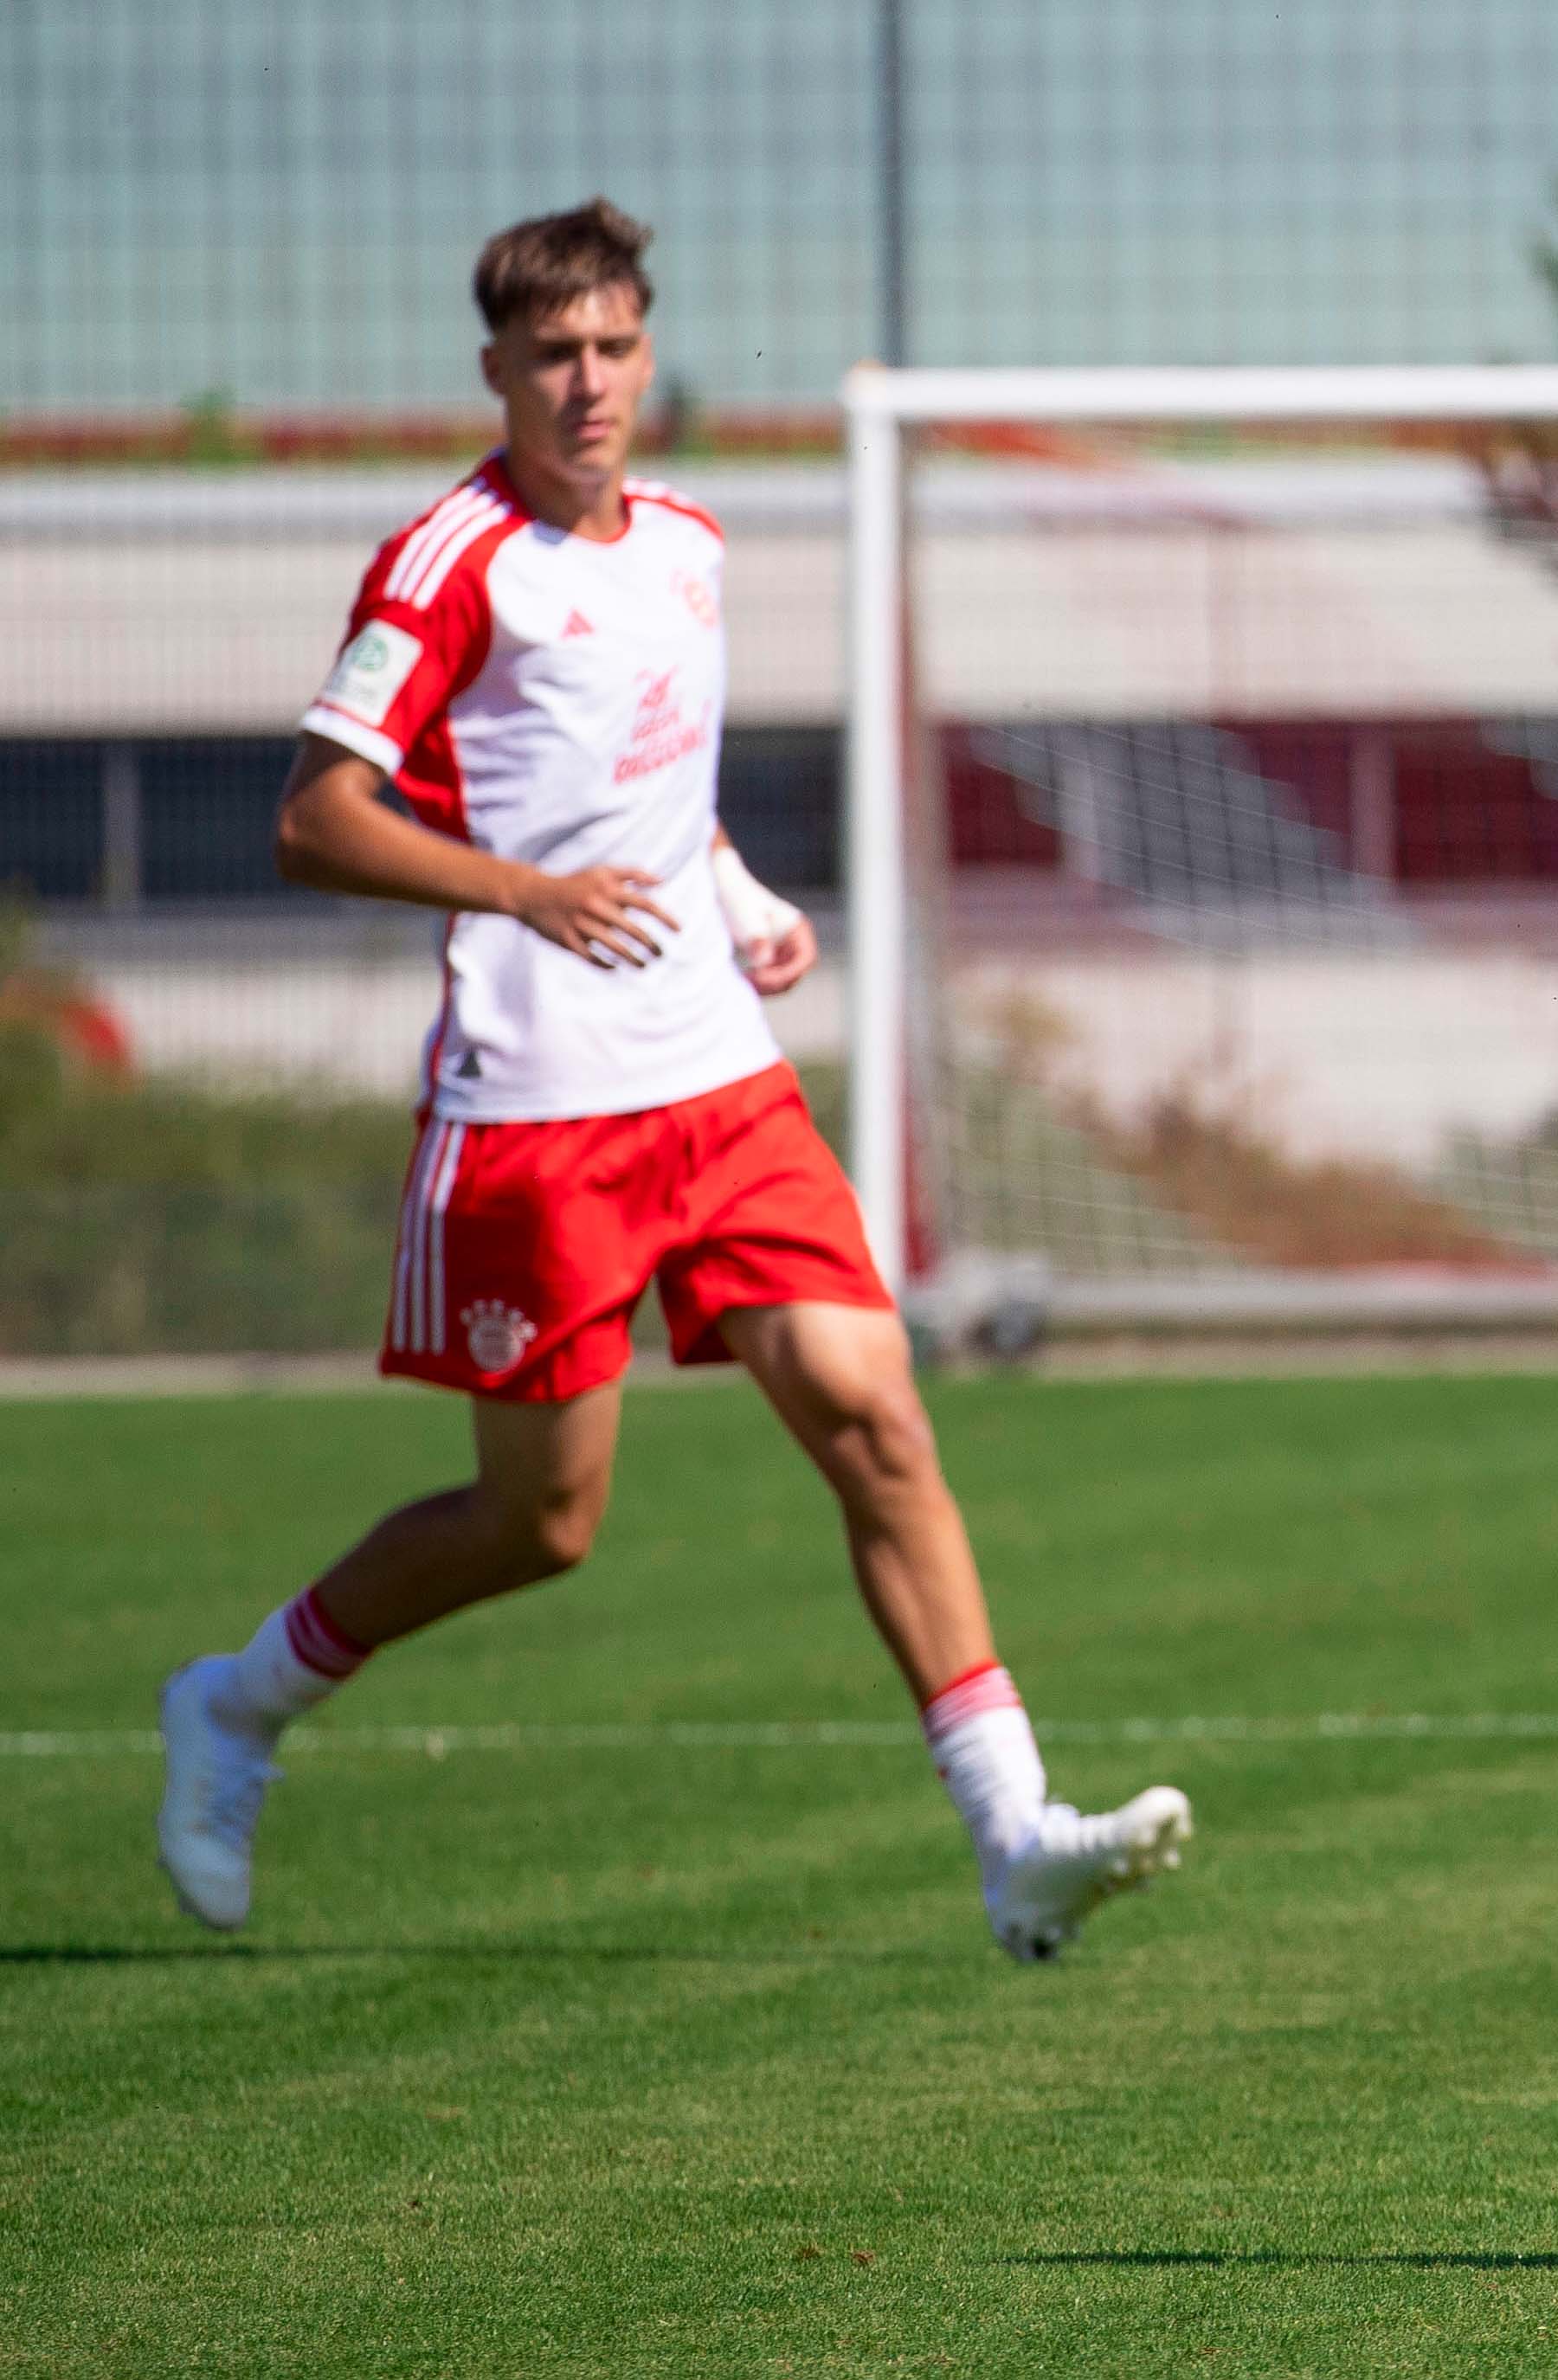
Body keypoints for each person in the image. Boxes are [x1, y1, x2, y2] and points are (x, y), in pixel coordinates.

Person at [152, 199, 1191, 1962]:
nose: (586, 382)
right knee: (538, 1522)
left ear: (648, 357)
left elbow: (649, 794)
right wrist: (525, 893)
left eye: (613, 348)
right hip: (535, 1112)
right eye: (550, 354)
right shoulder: (445, 565)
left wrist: (738, 897)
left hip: (719, 1086)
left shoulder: (691, 547)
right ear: (495, 371)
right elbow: (315, 817)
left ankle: (1015, 1835)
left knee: (875, 1418)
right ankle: (239, 1700)